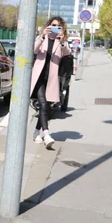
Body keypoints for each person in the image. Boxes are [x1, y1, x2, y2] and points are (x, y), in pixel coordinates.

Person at [30, 16, 72, 150]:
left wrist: (62, 40)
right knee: (42, 104)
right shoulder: (42, 38)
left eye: (58, 26)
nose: (55, 28)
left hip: (51, 79)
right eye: (53, 25)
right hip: (39, 77)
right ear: (48, 26)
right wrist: (42, 36)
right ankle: (46, 135)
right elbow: (34, 49)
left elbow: (67, 53)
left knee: (46, 107)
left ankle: (36, 132)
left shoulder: (62, 42)